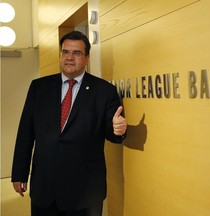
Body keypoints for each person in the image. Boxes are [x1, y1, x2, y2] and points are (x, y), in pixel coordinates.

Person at [11, 31, 127, 216]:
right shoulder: (39, 87)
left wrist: (118, 130)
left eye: (76, 53)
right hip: (44, 186)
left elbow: (112, 133)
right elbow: (26, 133)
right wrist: (19, 173)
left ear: (87, 58)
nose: (69, 58)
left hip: (85, 191)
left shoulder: (105, 91)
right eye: (65, 52)